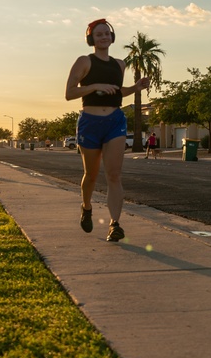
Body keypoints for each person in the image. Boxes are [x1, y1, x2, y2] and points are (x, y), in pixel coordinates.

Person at [65, 18, 151, 242]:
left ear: (112, 37)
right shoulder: (84, 61)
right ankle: (86, 207)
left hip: (115, 120)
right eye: (98, 34)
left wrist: (135, 87)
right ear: (91, 39)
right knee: (91, 175)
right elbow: (70, 93)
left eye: (106, 34)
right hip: (90, 122)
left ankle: (115, 225)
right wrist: (94, 86)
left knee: (114, 175)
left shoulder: (119, 64)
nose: (103, 37)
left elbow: (117, 91)